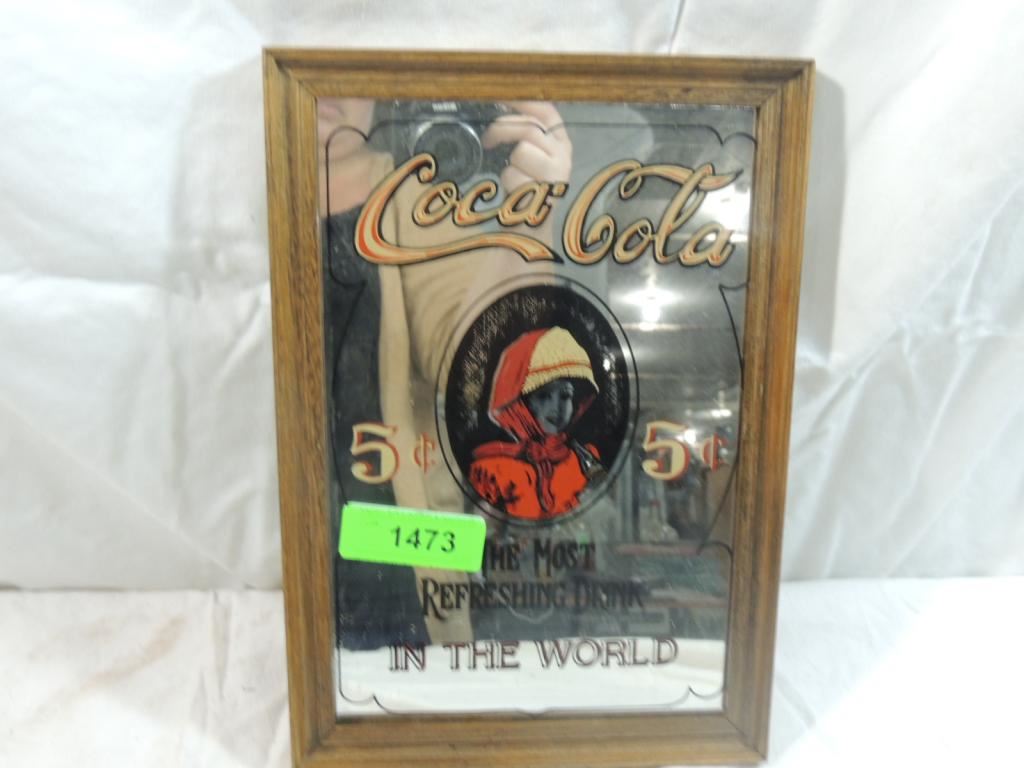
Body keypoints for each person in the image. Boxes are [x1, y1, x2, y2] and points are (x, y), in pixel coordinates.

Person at [320, 99, 572, 647]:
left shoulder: (411, 193)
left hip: (389, 567)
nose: (328, 90)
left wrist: (530, 219)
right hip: (243, 559)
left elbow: (482, 376)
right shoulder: (213, 199)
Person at [469, 326, 604, 521]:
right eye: (543, 396)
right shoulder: (494, 469)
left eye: (565, 396)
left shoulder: (584, 461)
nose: (556, 407)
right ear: (520, 405)